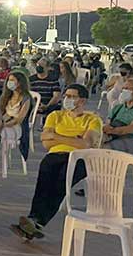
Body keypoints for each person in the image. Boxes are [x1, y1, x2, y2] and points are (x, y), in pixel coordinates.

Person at [11, 84, 102, 241]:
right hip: (54, 154)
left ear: (82, 101)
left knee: (61, 182)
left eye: (72, 96)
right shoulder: (55, 116)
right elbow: (46, 143)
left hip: (80, 158)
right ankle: (33, 220)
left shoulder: (92, 120)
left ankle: (37, 222)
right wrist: (75, 139)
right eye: (66, 95)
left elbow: (85, 145)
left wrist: (56, 137)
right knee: (44, 183)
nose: (67, 99)